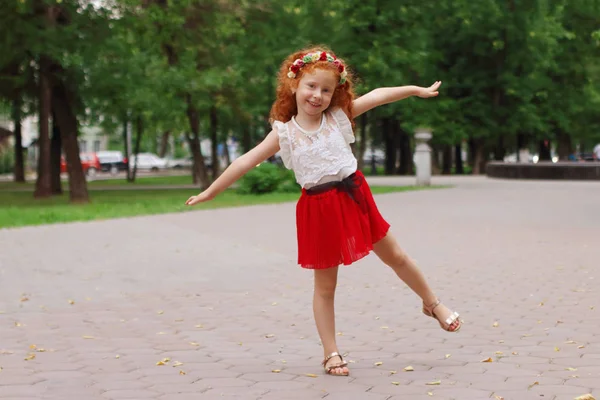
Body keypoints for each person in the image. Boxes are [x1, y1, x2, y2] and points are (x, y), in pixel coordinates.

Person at [185, 46, 462, 377]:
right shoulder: (284, 133)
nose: (317, 95)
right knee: (326, 287)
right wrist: (210, 192)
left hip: (355, 197)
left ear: (335, 93)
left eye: (326, 90)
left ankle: (432, 303)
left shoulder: (338, 118)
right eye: (311, 86)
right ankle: (331, 353)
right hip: (318, 210)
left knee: (396, 257)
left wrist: (415, 90)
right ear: (294, 85)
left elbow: (377, 96)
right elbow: (245, 160)